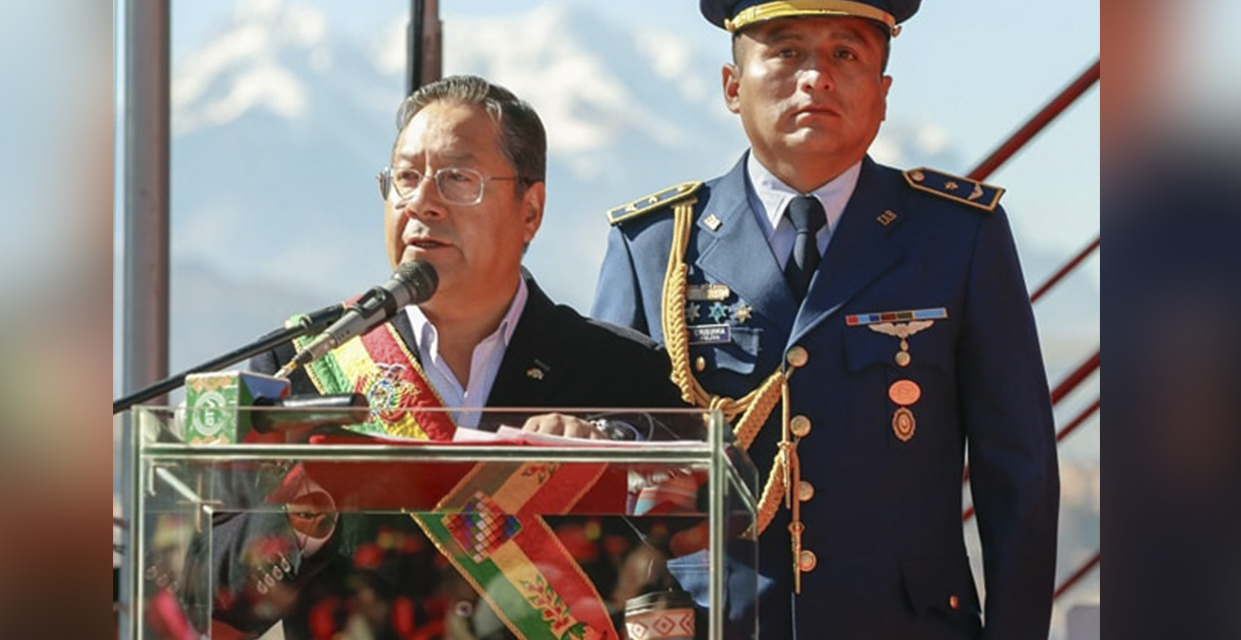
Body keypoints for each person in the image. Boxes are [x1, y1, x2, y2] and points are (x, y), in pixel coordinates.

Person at [592, 1, 1060, 638]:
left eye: (846, 54)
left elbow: (1019, 475)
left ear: (883, 93)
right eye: (786, 52)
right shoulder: (654, 248)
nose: (816, 77)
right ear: (733, 87)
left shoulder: (956, 237)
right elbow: (597, 471)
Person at [187, 75, 689, 639]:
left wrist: (601, 458)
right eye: (405, 178)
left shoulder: (617, 370)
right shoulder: (302, 364)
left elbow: (690, 551)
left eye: (457, 179)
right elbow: (208, 601)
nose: (422, 202)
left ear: (531, 210)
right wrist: (303, 510)